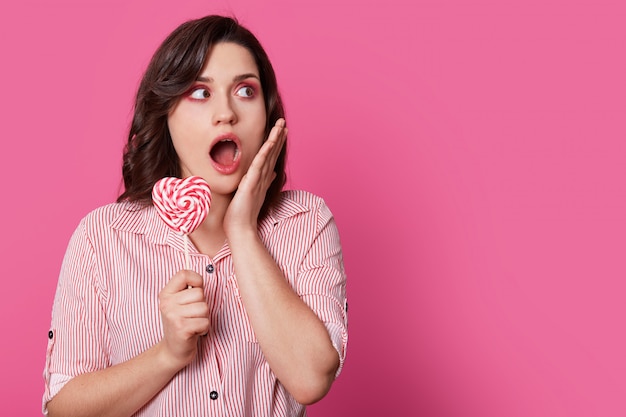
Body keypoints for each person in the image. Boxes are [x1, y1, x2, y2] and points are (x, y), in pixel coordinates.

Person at [43, 15, 348, 417]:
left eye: (245, 90)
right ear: (165, 114)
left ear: (268, 114)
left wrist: (241, 230)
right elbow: (63, 409)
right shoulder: (103, 237)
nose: (226, 113)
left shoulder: (305, 222)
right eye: (200, 93)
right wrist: (168, 354)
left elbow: (310, 378)